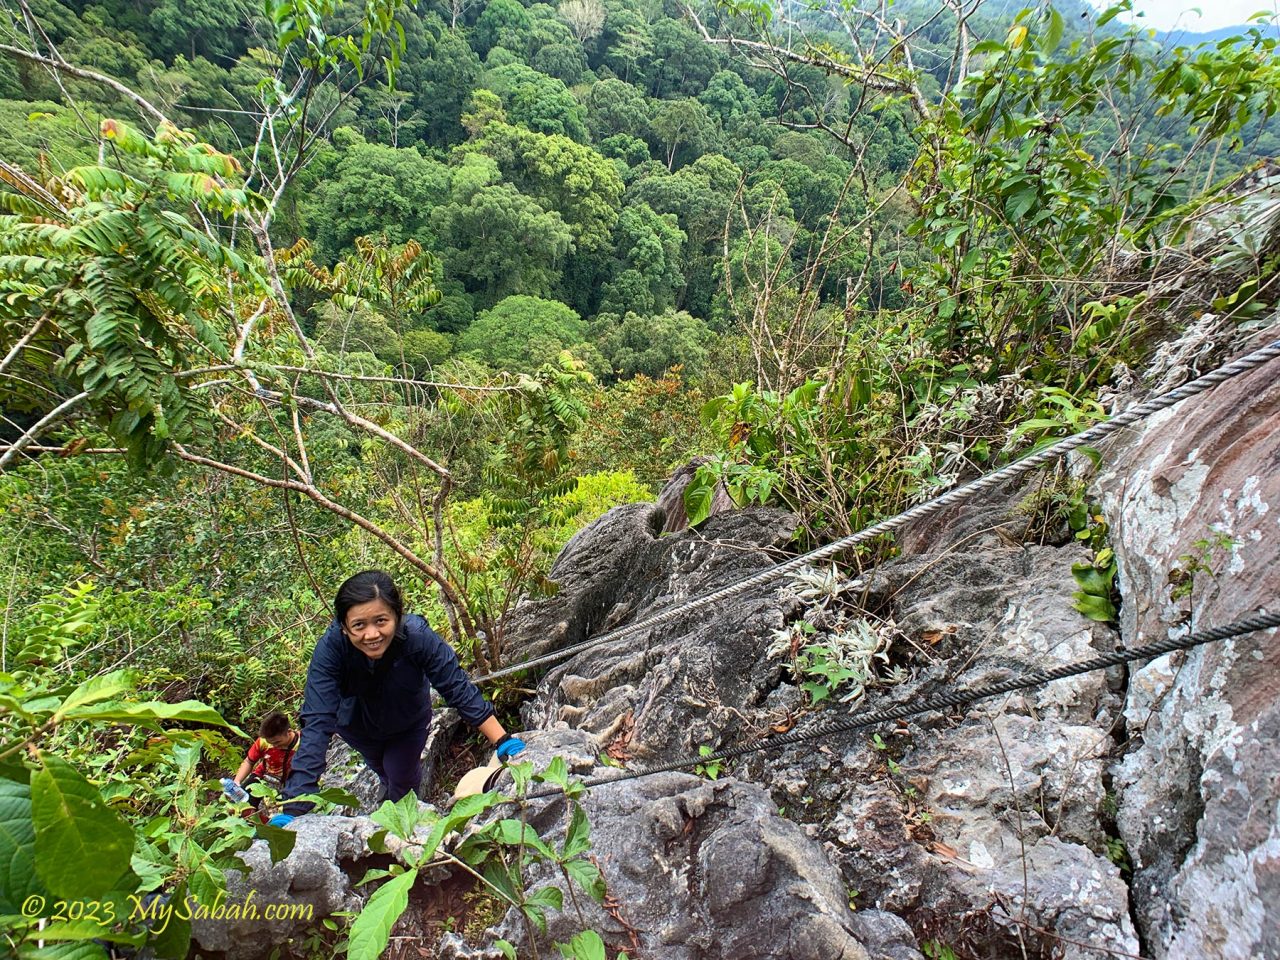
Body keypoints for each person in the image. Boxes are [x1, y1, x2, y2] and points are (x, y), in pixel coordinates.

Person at [272, 570, 524, 827]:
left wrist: (503, 741)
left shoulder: (416, 637)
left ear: (396, 614)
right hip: (357, 729)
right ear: (344, 627)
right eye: (359, 625)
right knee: (383, 769)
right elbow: (317, 721)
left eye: (381, 621)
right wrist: (294, 806)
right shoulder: (331, 651)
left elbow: (456, 686)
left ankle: (405, 824)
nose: (371, 635)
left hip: (408, 725)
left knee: (401, 776)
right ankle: (390, 788)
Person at [221, 710, 299, 820]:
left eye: (277, 742)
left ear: (289, 732)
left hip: (290, 781)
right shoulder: (263, 742)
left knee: (288, 812)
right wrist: (237, 782)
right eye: (271, 743)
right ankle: (261, 826)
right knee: (242, 808)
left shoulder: (303, 743)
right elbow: (249, 761)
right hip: (263, 776)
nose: (274, 746)